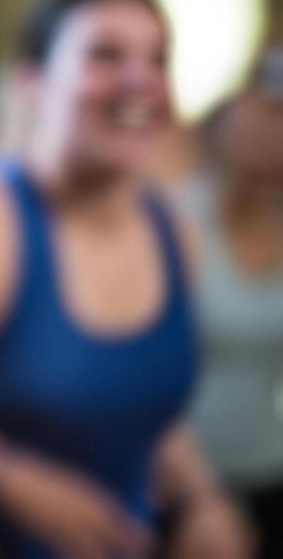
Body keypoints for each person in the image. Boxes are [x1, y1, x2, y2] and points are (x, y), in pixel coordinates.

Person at [0, 0, 251, 558]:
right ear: (32, 82)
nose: (139, 79)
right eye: (105, 54)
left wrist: (202, 497)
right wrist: (7, 475)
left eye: (158, 59)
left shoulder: (175, 233)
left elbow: (130, 403)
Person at [184, 49, 283, 552]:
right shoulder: (177, 220)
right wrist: (198, 495)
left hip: (271, 462)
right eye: (261, 114)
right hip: (189, 477)